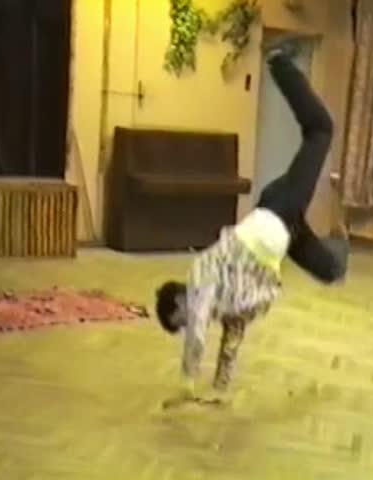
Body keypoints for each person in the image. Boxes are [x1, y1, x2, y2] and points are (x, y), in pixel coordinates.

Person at [155, 39, 349, 401]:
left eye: (179, 321)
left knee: (320, 129)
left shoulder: (199, 279)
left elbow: (197, 332)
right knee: (326, 267)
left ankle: (279, 63)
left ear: (180, 304)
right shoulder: (228, 305)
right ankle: (338, 259)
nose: (189, 325)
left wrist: (186, 383)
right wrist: (219, 391)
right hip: (279, 224)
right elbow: (232, 339)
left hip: (278, 212)